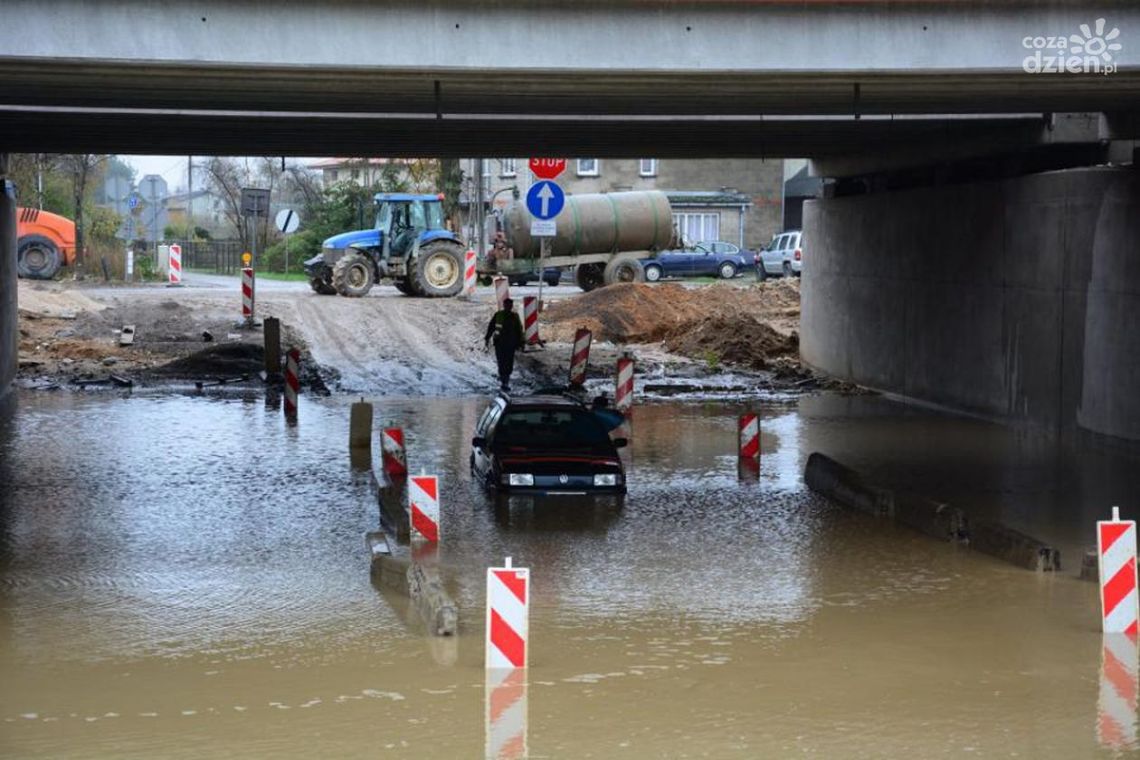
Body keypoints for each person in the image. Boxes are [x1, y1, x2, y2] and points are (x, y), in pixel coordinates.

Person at [484, 297, 524, 390]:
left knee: (508, 363)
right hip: (500, 344)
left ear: (511, 306)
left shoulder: (515, 316)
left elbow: (519, 330)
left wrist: (521, 342)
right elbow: (491, 327)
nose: (509, 307)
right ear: (504, 305)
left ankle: (506, 380)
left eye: (510, 305)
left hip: (510, 344)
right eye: (507, 305)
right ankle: (504, 381)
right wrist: (487, 338)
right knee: (502, 362)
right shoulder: (499, 315)